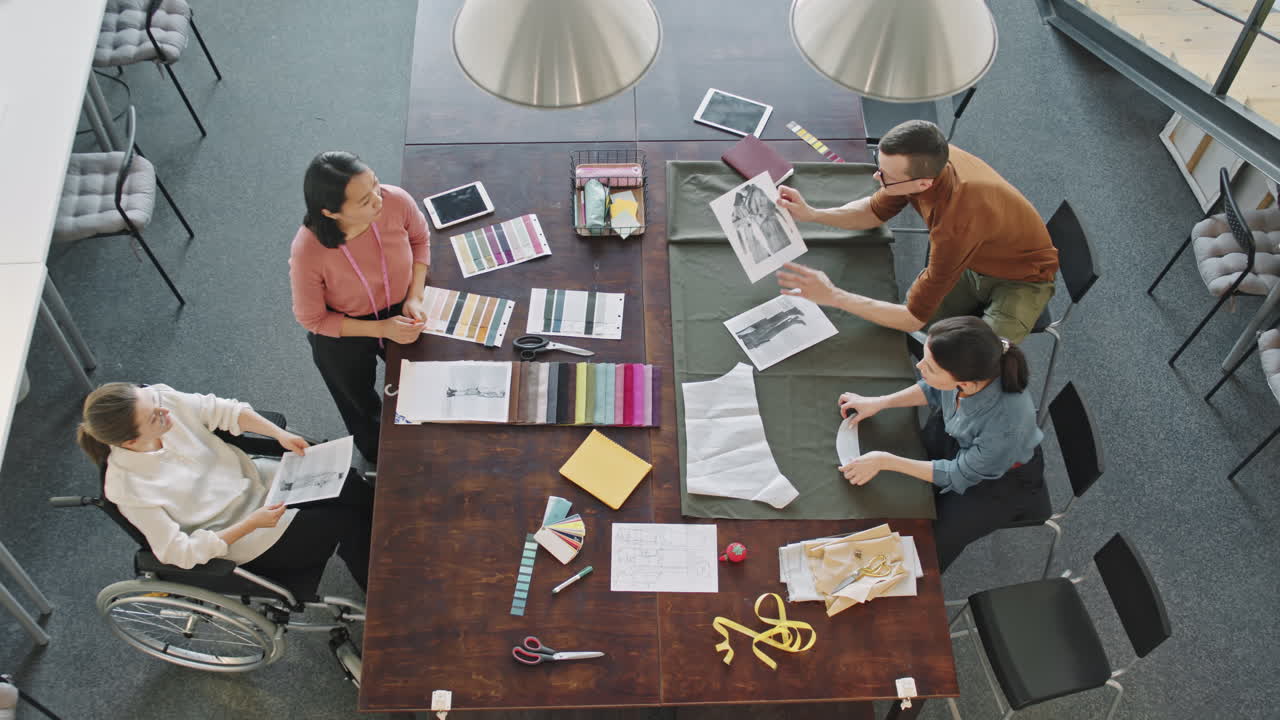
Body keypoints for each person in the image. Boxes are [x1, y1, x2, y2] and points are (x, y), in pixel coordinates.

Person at [775, 120, 1059, 344]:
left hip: (1021, 280)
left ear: (923, 184)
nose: (877, 177)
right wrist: (812, 214)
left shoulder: (955, 224)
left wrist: (833, 296)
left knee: (973, 364)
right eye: (879, 164)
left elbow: (912, 318)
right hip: (973, 262)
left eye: (885, 175)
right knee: (908, 329)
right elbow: (873, 212)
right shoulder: (927, 163)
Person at [76, 383, 373, 590]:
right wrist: (250, 524)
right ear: (129, 441)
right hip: (248, 534)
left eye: (156, 402)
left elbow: (225, 411)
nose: (166, 412)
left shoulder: (160, 401)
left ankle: (382, 545)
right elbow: (177, 552)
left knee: (352, 484)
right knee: (346, 522)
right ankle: (381, 584)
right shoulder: (127, 488)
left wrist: (278, 434)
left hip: (262, 481)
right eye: (156, 416)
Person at [835, 317, 1045, 572]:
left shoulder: (1007, 424)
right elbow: (935, 389)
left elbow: (958, 474)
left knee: (923, 551)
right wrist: (879, 402)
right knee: (899, 494)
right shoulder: (969, 372)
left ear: (965, 383)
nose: (920, 366)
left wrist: (885, 461)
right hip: (961, 439)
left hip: (995, 482)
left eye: (930, 367)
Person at [290, 151, 432, 465]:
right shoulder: (308, 250)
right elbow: (311, 317)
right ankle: (379, 458)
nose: (379, 199)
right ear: (331, 212)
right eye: (365, 200)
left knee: (430, 379)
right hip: (347, 324)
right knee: (359, 404)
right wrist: (380, 329)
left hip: (402, 303)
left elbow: (421, 239)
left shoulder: (396, 200)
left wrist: (415, 296)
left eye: (376, 186)